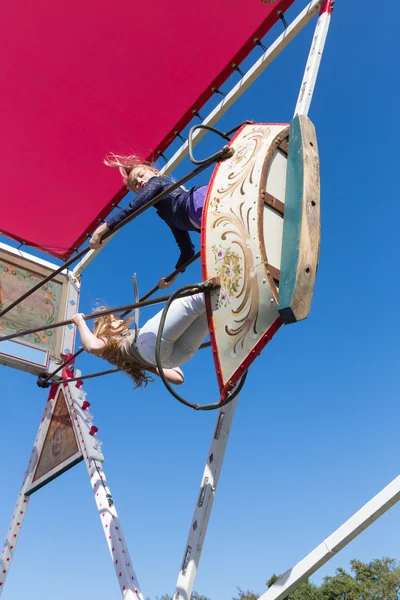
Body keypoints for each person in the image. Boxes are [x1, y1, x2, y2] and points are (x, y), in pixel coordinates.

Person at [90, 154, 208, 288]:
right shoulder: (168, 215)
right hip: (201, 220)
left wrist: (102, 229)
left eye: (141, 175)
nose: (140, 181)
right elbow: (187, 250)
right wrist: (173, 276)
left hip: (197, 200)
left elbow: (133, 207)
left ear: (155, 172)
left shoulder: (155, 182)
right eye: (135, 184)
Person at [71, 292, 210, 389]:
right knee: (192, 300)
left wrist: (151, 366)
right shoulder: (110, 340)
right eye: (112, 320)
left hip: (168, 359)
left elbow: (178, 379)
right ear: (106, 329)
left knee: (206, 312)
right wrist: (80, 322)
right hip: (149, 347)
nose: (118, 319)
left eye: (117, 317)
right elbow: (92, 346)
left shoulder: (136, 361)